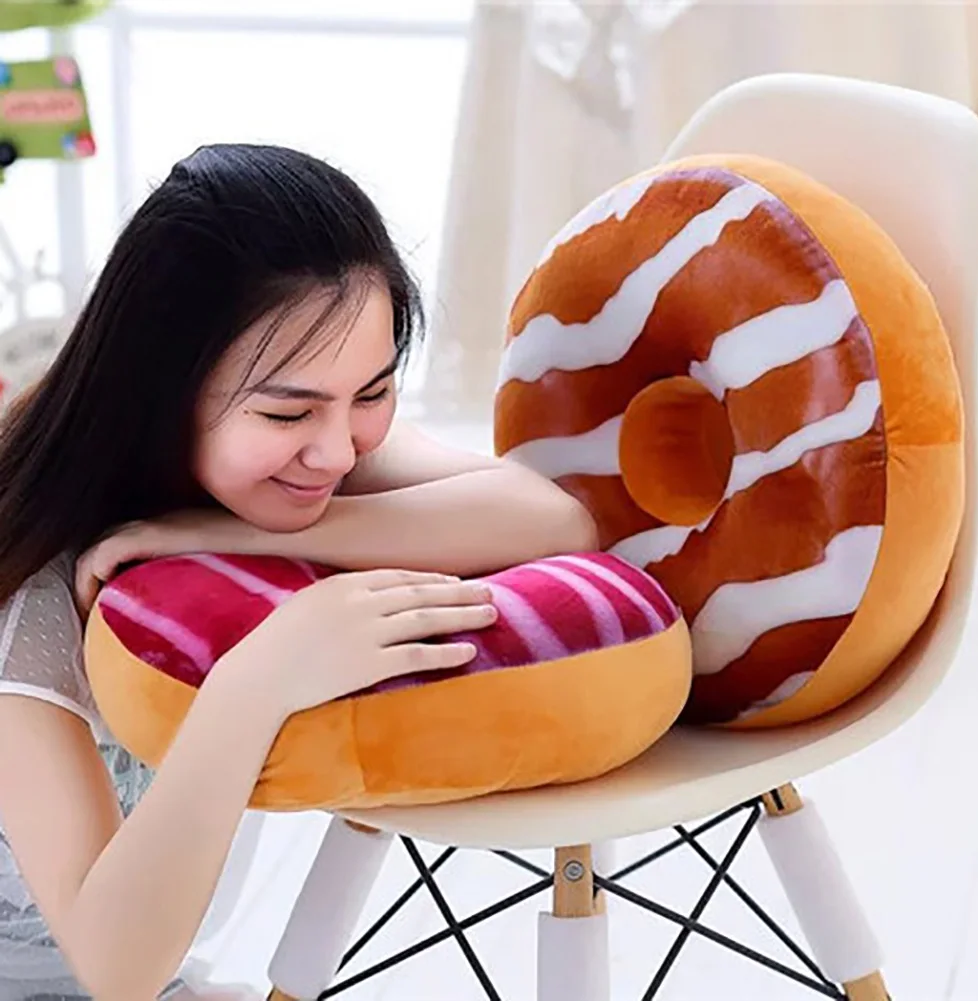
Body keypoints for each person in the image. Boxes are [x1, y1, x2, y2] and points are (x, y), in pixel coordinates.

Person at [0, 144, 598, 1001]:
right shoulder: (33, 591)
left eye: (374, 393)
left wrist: (224, 534)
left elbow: (554, 520)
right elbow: (115, 968)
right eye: (288, 412)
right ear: (160, 391)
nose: (338, 450)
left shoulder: (305, 449)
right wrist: (257, 681)